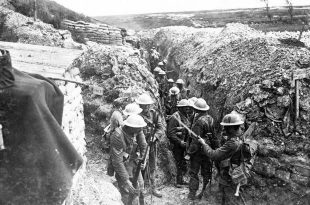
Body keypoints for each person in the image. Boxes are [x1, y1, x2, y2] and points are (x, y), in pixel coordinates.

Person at [197, 113, 246, 205]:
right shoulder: (238, 138)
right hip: (231, 173)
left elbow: (214, 155)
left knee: (226, 198)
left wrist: (204, 144)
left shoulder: (232, 143)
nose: (224, 129)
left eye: (226, 127)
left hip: (228, 175)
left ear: (231, 129)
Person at [110, 114, 148, 205]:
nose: (140, 130)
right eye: (138, 128)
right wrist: (126, 180)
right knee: (128, 192)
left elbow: (144, 146)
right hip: (123, 165)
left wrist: (144, 160)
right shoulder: (117, 136)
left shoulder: (137, 130)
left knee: (141, 188)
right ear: (130, 127)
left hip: (134, 162)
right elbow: (117, 162)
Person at [187, 98, 219, 200]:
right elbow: (214, 137)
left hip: (198, 152)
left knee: (194, 172)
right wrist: (215, 149)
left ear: (197, 110)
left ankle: (192, 194)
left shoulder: (199, 122)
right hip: (208, 150)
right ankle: (205, 193)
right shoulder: (211, 119)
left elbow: (195, 140)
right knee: (206, 172)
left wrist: (189, 152)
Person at [136, 93, 165, 198]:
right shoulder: (136, 116)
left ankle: (153, 188)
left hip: (152, 144)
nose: (146, 108)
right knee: (141, 166)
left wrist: (155, 136)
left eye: (148, 105)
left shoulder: (154, 114)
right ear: (139, 105)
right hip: (140, 146)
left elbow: (161, 128)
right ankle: (141, 190)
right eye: (144, 105)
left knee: (152, 166)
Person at [167, 99, 191, 187]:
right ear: (180, 108)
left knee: (182, 162)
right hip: (176, 145)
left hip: (183, 144)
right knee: (178, 162)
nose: (187, 110)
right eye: (185, 108)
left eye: (188, 108)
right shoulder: (175, 117)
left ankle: (181, 180)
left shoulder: (185, 116)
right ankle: (177, 181)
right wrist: (180, 142)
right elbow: (170, 133)